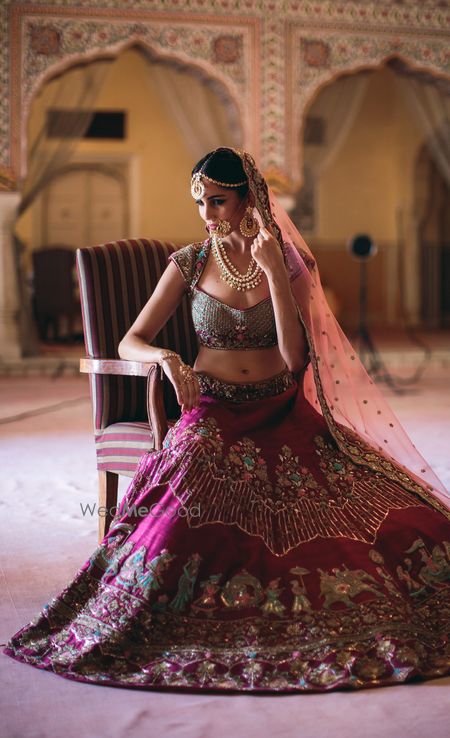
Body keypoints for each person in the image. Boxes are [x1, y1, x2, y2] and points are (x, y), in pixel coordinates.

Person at [4, 147, 450, 693]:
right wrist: (167, 358)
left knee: (367, 525)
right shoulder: (189, 262)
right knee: (179, 518)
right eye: (199, 202)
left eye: (217, 201)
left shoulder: (288, 263)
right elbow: (131, 340)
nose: (207, 214)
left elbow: (294, 360)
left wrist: (276, 277)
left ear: (248, 199)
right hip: (212, 409)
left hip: (281, 409)